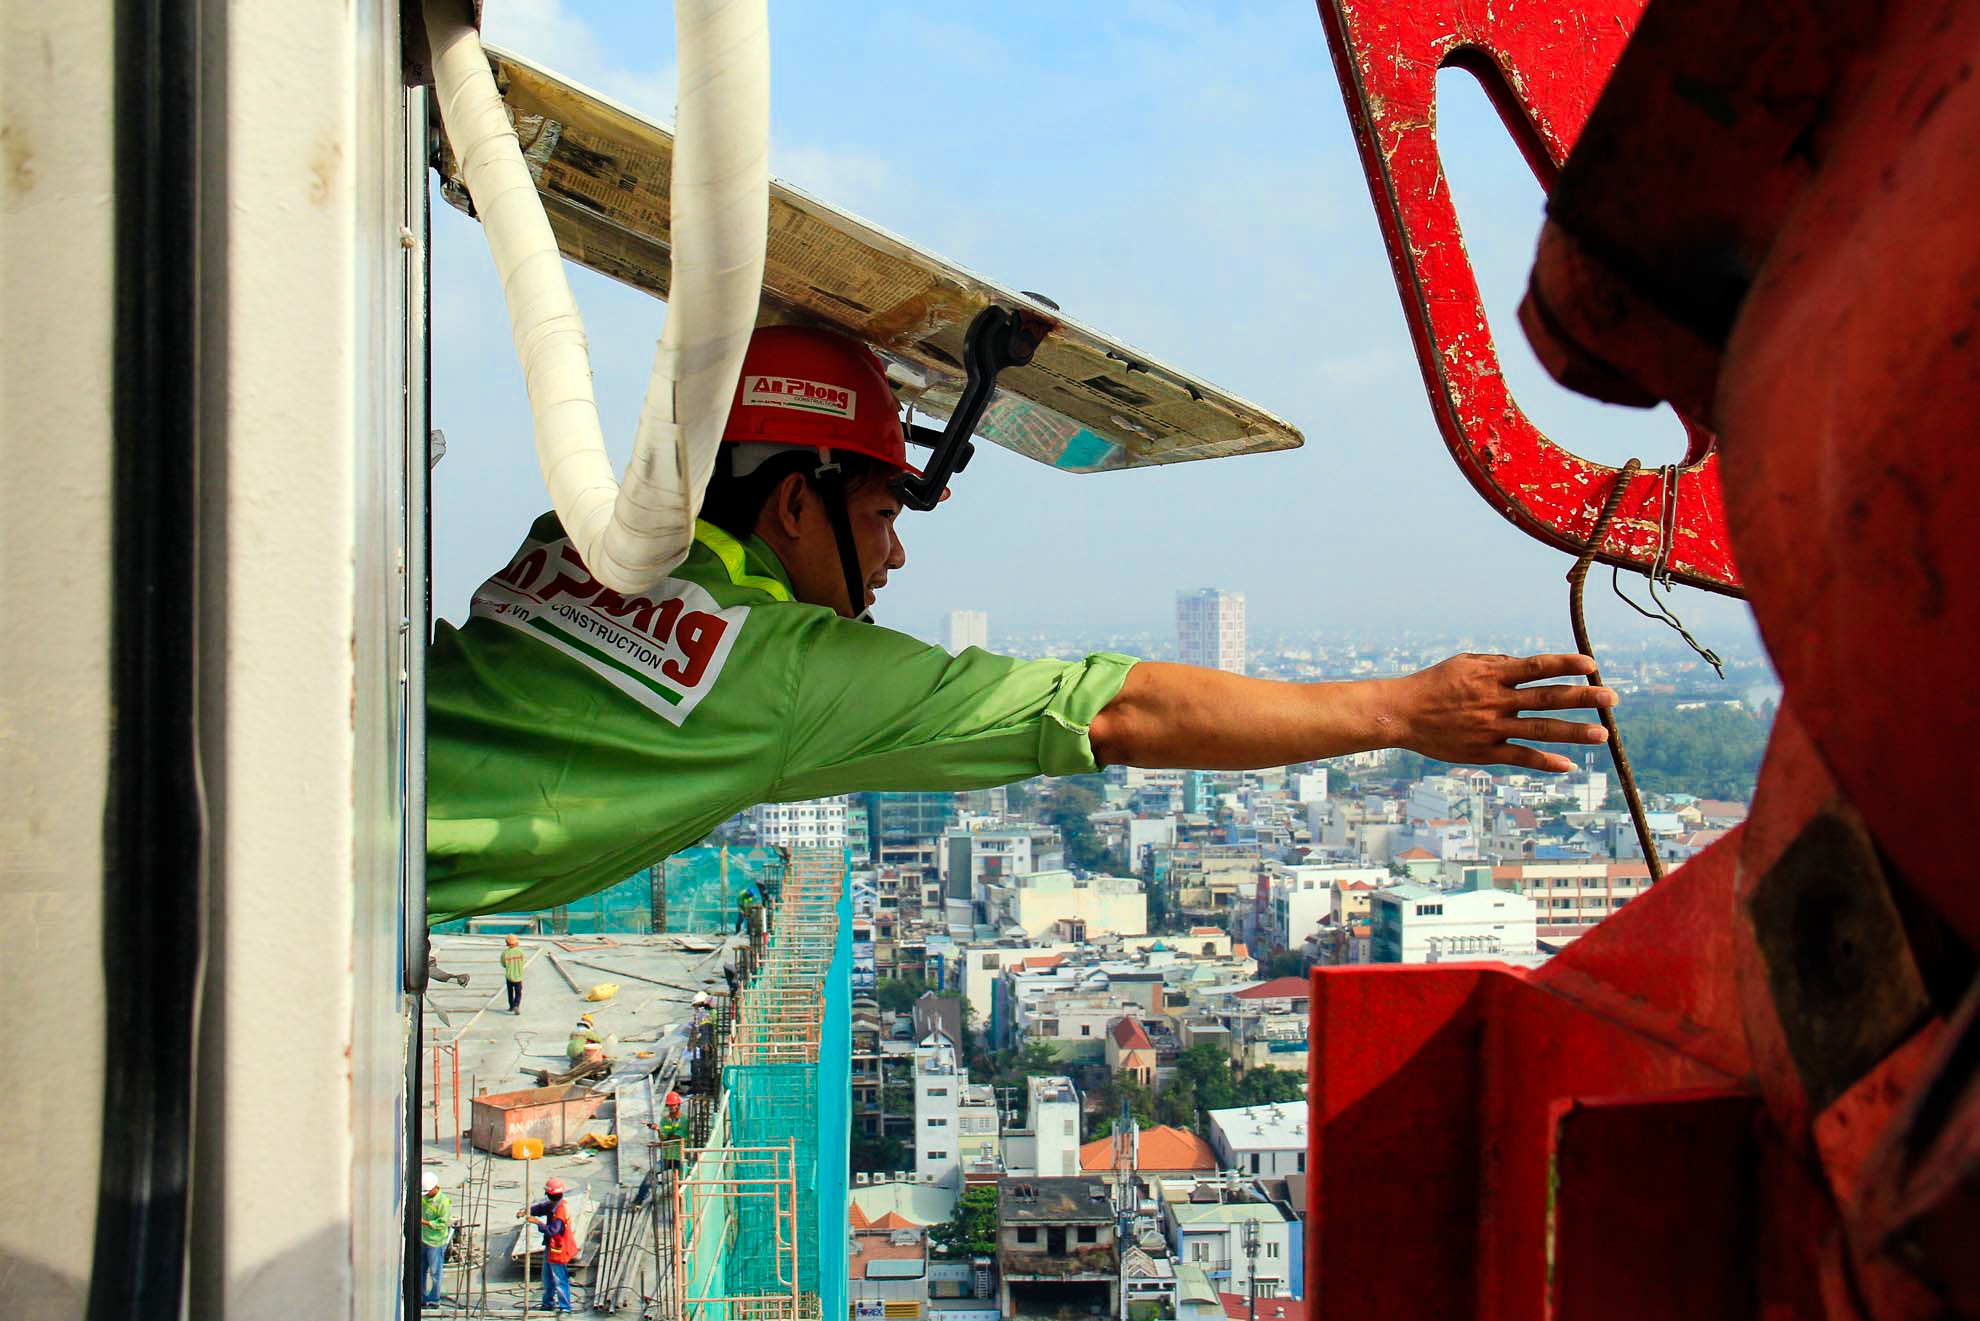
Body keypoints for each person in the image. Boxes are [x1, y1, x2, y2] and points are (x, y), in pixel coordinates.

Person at [425, 326, 1615, 924]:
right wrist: (1397, 710)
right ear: (795, 501)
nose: (895, 553)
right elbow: (1112, 706)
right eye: (884, 511)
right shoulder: (784, 673)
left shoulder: (570, 537)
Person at [521, 1176, 577, 1313]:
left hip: (559, 1249)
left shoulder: (561, 1210)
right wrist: (527, 1211)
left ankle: (565, 1308)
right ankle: (547, 1304)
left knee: (559, 1279)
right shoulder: (554, 1204)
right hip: (551, 1247)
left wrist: (537, 1222)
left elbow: (553, 1230)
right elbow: (542, 1208)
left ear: (549, 1194)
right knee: (547, 1278)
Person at [418, 1170, 450, 1308]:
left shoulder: (444, 1202)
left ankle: (435, 1299)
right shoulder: (424, 1198)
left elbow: (443, 1223)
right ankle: (422, 1298)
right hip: (423, 1239)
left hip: (436, 1243)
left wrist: (423, 1222)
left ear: (434, 1188)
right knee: (421, 1271)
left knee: (436, 1272)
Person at [500, 934, 526, 1013]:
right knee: (518, 992)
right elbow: (522, 962)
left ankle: (511, 1006)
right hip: (518, 976)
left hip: (509, 976)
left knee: (510, 992)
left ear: (507, 943)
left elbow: (503, 964)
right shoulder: (521, 951)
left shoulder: (505, 953)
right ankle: (516, 1005)